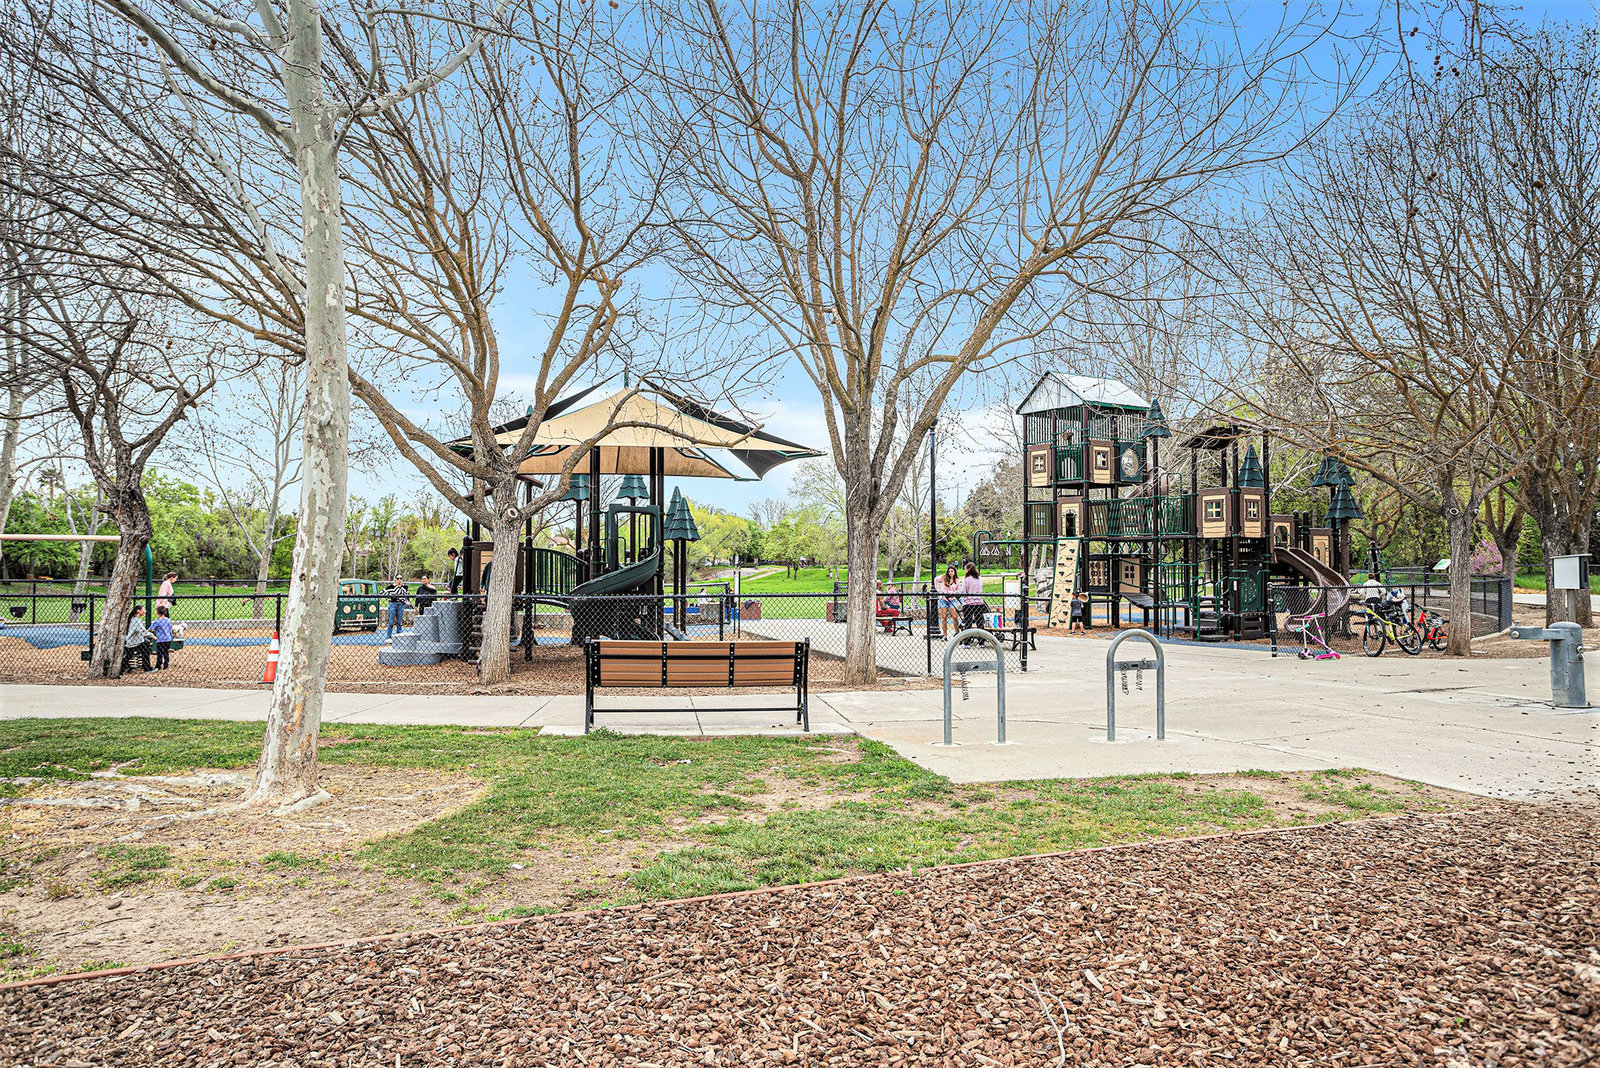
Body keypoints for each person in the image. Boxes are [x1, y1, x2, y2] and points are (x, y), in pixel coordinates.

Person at [123, 605, 153, 672]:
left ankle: (122, 668)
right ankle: (147, 668)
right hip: (134, 642)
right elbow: (143, 632)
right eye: (143, 609)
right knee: (145, 647)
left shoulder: (134, 619)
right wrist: (153, 636)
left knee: (129, 655)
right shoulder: (136, 621)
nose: (145, 611)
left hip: (133, 641)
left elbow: (141, 631)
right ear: (138, 611)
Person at [934, 564, 961, 638]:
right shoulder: (944, 577)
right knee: (944, 617)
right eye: (949, 571)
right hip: (943, 599)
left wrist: (954, 592)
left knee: (955, 616)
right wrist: (938, 590)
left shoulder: (957, 580)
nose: (950, 573)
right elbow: (936, 579)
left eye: (952, 571)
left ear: (954, 572)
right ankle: (945, 635)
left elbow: (958, 590)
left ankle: (957, 633)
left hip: (952, 600)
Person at [960, 563, 986, 634]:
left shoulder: (966, 579)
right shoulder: (979, 578)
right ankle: (981, 638)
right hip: (979, 602)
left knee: (968, 622)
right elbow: (980, 589)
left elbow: (963, 591)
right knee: (979, 621)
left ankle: (968, 638)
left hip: (968, 602)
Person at [151, 604, 174, 670]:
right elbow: (171, 628)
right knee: (166, 652)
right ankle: (166, 665)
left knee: (160, 652)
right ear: (165, 612)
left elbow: (151, 629)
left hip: (161, 639)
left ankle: (158, 665)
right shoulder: (168, 620)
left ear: (157, 613)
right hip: (168, 638)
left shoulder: (157, 621)